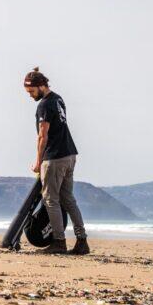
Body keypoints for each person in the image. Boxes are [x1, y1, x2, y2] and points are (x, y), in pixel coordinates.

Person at [24, 67, 90, 254]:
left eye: (31, 91)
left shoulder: (44, 105)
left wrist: (38, 162)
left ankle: (59, 242)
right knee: (68, 200)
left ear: (41, 86)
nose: (30, 95)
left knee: (50, 200)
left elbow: (42, 136)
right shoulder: (58, 99)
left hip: (54, 157)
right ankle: (82, 241)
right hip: (69, 154)